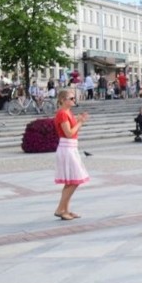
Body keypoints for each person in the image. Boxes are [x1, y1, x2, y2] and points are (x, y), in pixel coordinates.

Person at [52, 88, 89, 221]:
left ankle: (65, 209)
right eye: (71, 98)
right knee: (74, 180)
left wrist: (78, 120)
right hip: (67, 147)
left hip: (71, 147)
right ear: (63, 100)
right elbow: (69, 133)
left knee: (70, 181)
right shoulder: (62, 113)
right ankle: (60, 209)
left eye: (74, 98)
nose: (74, 100)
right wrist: (80, 122)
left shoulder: (67, 112)